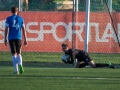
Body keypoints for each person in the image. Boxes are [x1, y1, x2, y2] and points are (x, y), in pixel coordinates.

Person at [4, 6, 28, 74]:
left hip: (11, 38)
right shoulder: (21, 19)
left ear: (11, 11)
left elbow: (6, 29)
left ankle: (16, 69)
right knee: (19, 53)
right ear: (17, 11)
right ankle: (20, 64)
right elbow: (24, 30)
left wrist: (5, 38)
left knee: (13, 54)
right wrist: (26, 39)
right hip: (19, 38)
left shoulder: (8, 19)